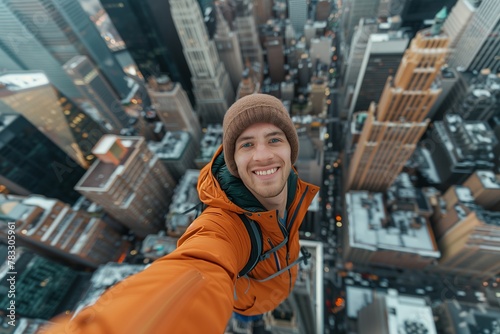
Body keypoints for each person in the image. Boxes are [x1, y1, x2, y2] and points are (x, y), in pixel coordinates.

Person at [42, 94, 319, 334]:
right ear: (233, 161)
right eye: (246, 144)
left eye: (274, 139)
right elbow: (195, 273)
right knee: (248, 314)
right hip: (247, 303)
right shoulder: (225, 227)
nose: (262, 155)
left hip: (274, 289)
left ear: (290, 149)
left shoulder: (291, 188)